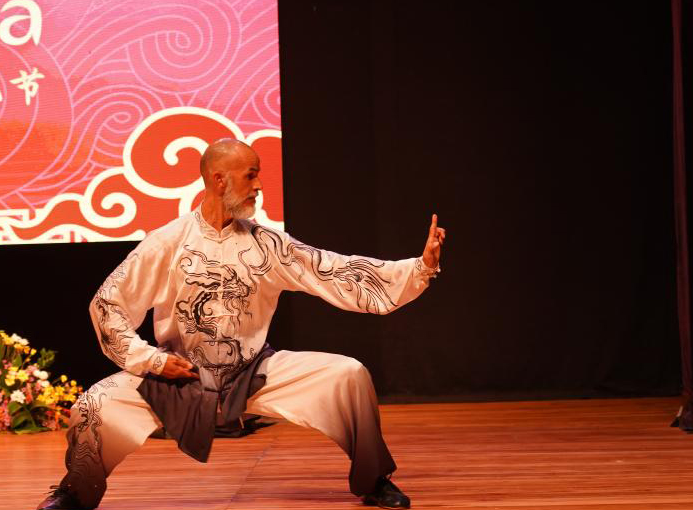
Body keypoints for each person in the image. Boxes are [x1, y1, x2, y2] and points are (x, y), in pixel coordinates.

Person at [36, 139, 445, 510]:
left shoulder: (267, 244)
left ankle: (374, 480)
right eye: (251, 175)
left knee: (348, 374)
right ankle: (75, 493)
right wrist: (151, 361)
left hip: (253, 371)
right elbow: (108, 304)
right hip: (180, 375)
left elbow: (334, 271)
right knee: (95, 403)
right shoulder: (167, 242)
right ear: (219, 179)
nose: (259, 185)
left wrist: (418, 268)